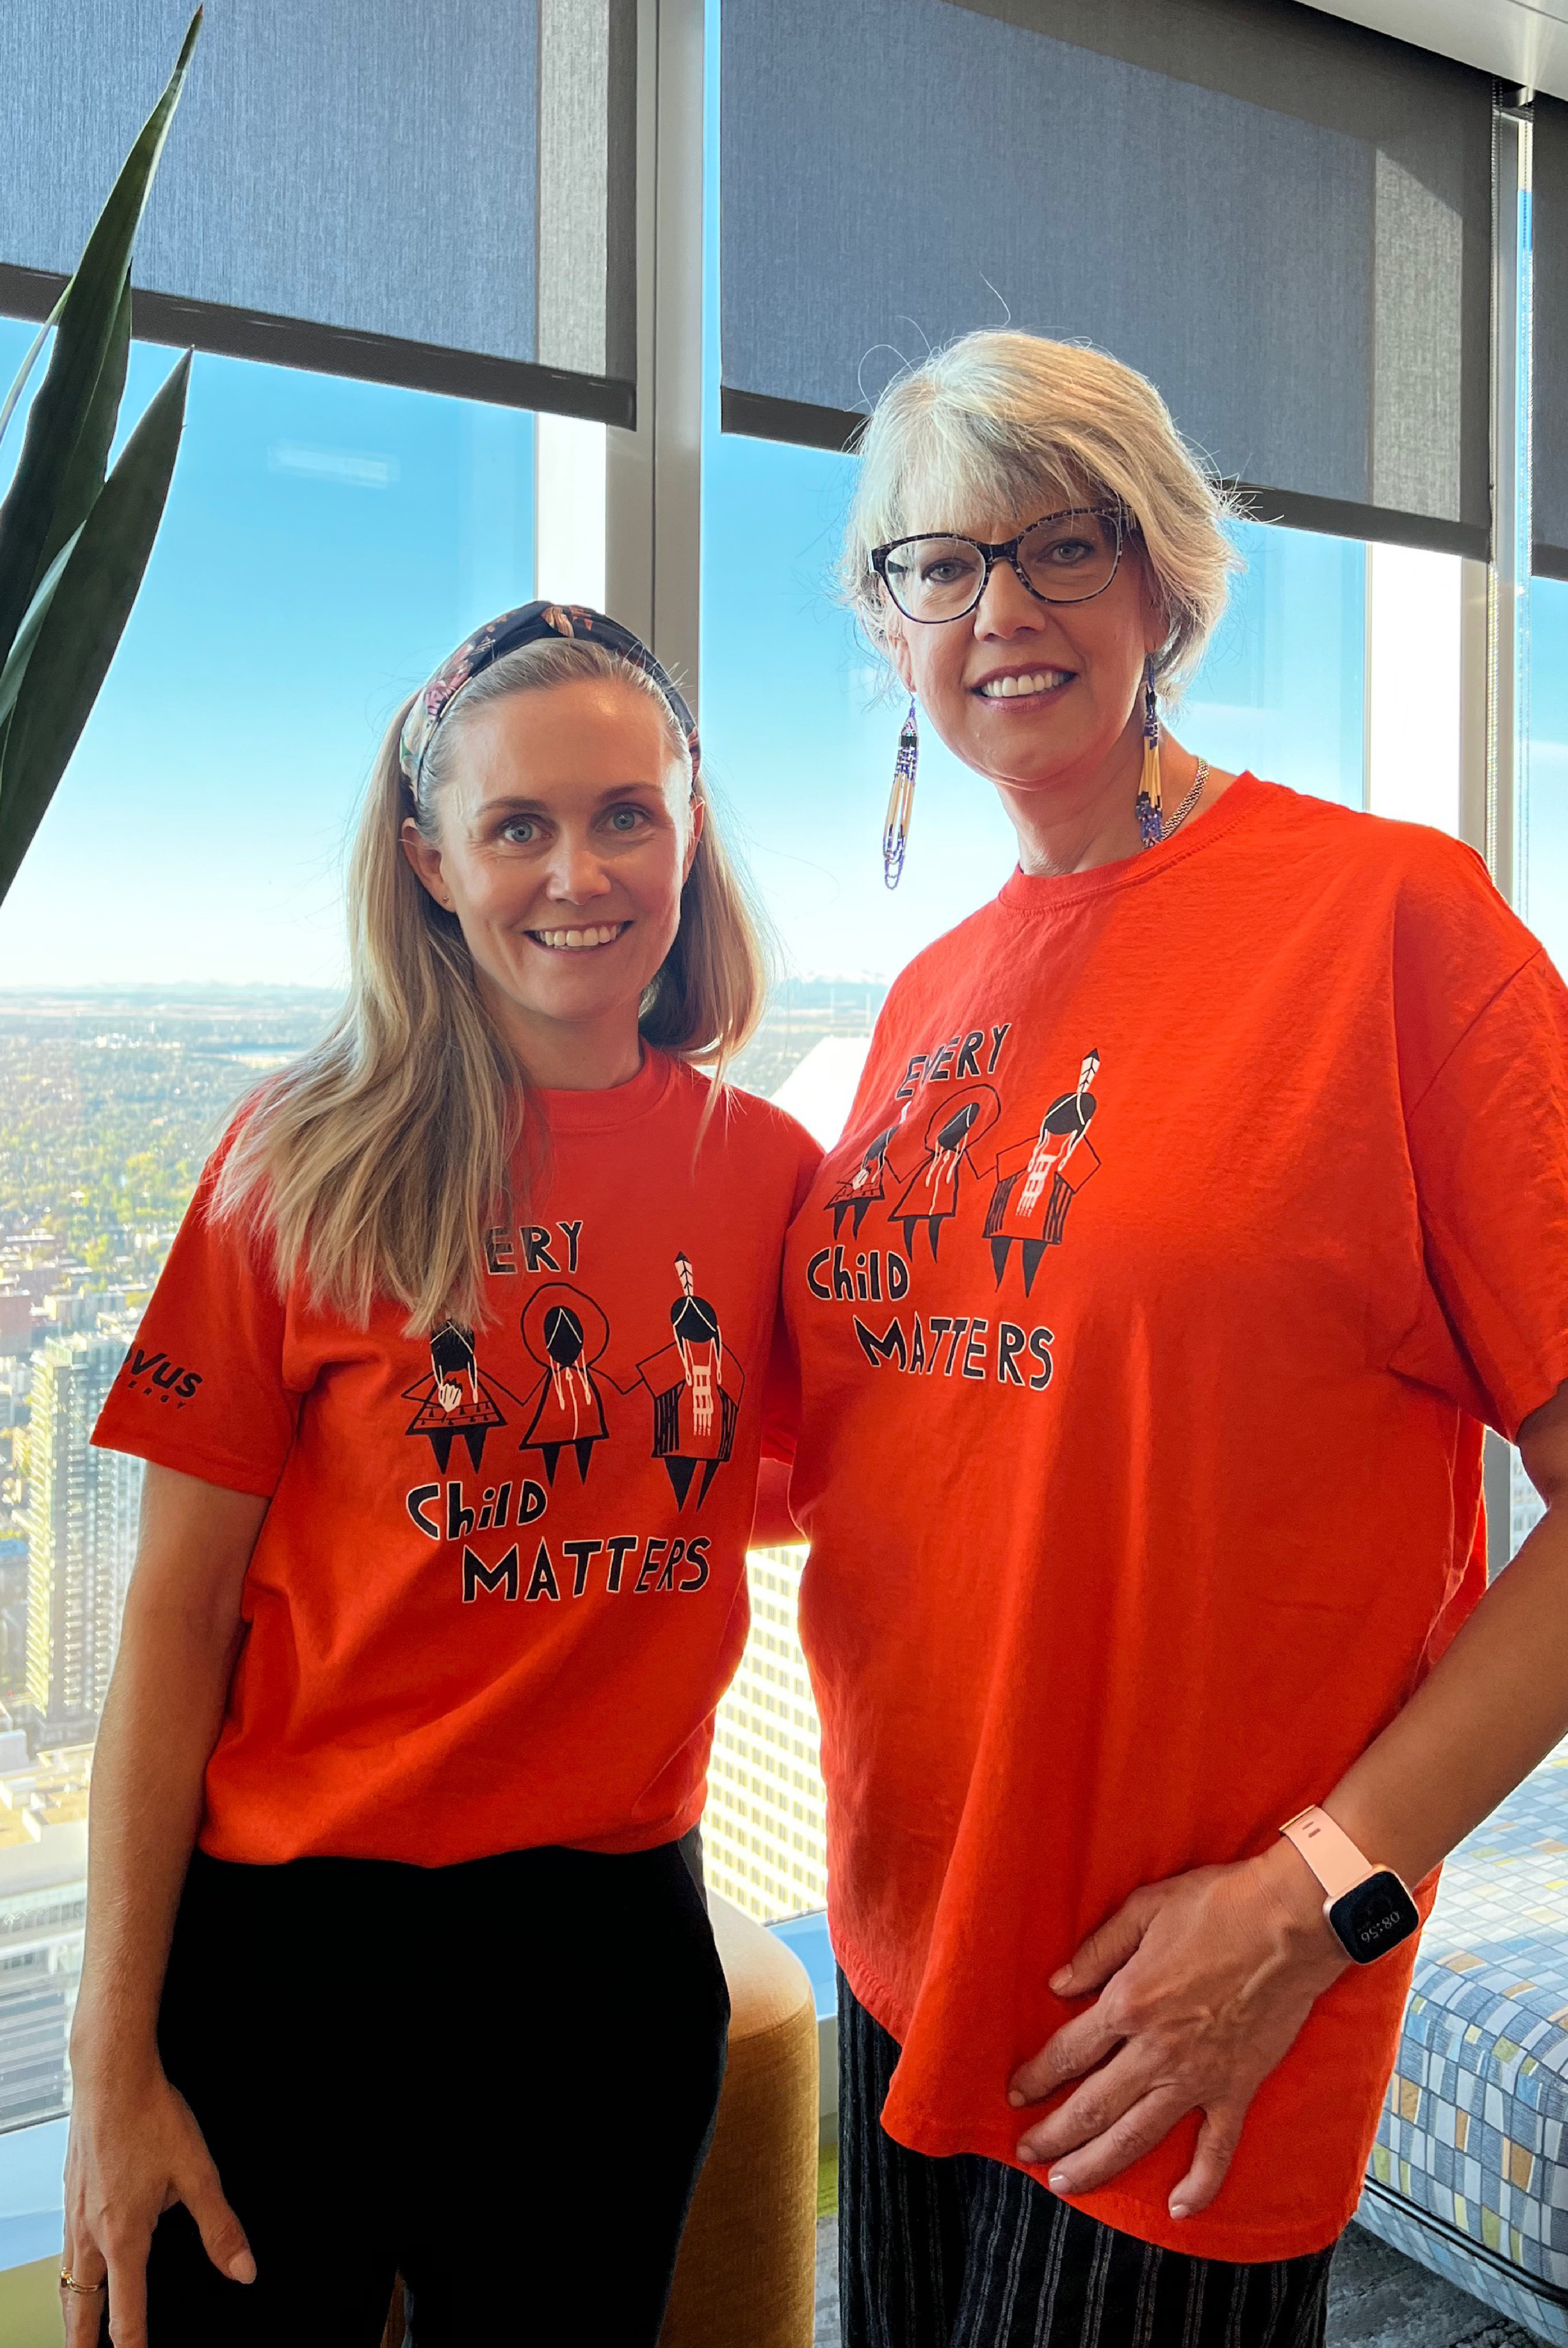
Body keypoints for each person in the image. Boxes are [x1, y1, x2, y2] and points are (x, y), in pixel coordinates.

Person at [782, 330, 1568, 2346]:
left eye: (1065, 545)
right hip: (905, 1949)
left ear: (1165, 582)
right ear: (888, 628)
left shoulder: (1393, 923)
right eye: (934, 566)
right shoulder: (932, 992)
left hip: (1179, 1997)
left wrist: (1326, 1891)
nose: (1002, 611)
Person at [61, 602, 820, 2348]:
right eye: (519, 826)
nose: (580, 871)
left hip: (605, 1949)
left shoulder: (769, 1179)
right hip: (284, 1957)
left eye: (627, 812)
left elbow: (822, 1480)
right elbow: (174, 1623)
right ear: (428, 861)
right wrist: (113, 2060)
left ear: (691, 831)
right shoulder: (298, 1161)